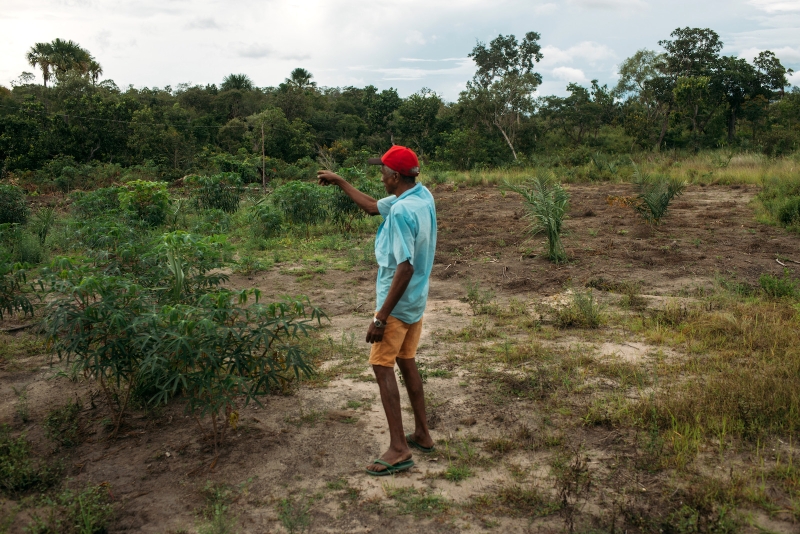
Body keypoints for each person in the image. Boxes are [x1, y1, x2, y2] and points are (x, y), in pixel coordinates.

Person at [317, 145, 437, 476]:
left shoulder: (400, 213)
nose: (380, 177)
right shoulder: (420, 195)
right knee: (405, 360)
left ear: (395, 177)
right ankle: (422, 434)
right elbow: (372, 207)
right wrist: (341, 182)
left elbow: (405, 268)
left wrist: (380, 317)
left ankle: (399, 448)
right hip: (415, 302)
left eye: (383, 172)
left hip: (396, 305)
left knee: (382, 367)